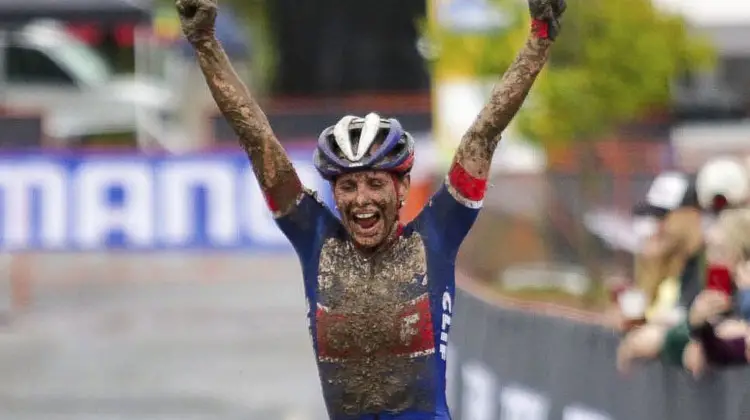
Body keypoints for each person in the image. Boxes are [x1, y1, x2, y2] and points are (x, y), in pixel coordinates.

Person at [175, 0, 565, 418]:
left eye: (375, 183)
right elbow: (256, 138)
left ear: (402, 189)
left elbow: (485, 132)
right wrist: (205, 42)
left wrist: (539, 40)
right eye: (347, 186)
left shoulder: (437, 234)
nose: (361, 200)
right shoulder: (316, 240)